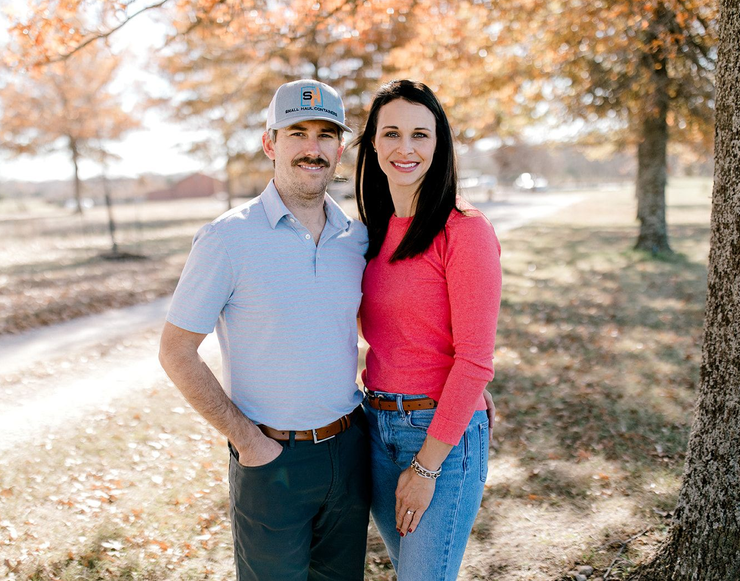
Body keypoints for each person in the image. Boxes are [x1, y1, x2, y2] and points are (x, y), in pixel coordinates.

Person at [158, 79, 371, 581]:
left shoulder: (356, 237)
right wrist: (249, 443)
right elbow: (176, 351)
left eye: (325, 134)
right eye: (297, 132)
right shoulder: (226, 238)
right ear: (270, 143)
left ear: (340, 149)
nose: (312, 148)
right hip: (270, 460)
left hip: (349, 449)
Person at [354, 79, 502, 580]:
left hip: (439, 438)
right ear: (372, 143)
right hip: (375, 427)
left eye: (421, 134)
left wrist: (426, 466)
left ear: (439, 146)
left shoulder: (464, 230)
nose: (406, 147)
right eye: (391, 133)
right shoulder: (369, 232)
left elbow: (476, 359)